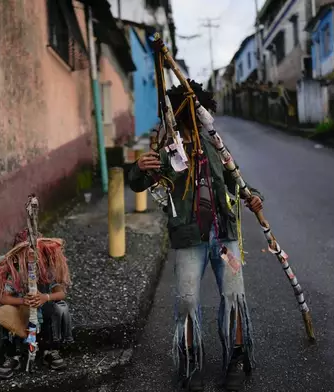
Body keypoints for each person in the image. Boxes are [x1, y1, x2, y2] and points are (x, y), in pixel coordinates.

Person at [128, 80, 263, 392]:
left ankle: (237, 358)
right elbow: (139, 181)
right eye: (184, 113)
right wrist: (139, 168)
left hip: (224, 236)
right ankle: (190, 363)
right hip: (190, 239)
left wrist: (254, 196)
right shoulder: (167, 152)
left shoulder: (216, 147)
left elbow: (238, 181)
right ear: (176, 115)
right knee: (188, 302)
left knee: (233, 297)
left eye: (195, 112)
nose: (191, 118)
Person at [0, 229, 73, 379]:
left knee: (59, 308)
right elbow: (2, 298)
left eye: (34, 253)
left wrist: (45, 297)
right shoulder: (13, 270)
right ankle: (12, 356)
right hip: (22, 313)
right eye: (26, 253)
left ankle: (50, 350)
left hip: (44, 313)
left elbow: (61, 292)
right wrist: (22, 301)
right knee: (4, 311)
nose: (31, 257)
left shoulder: (48, 268)